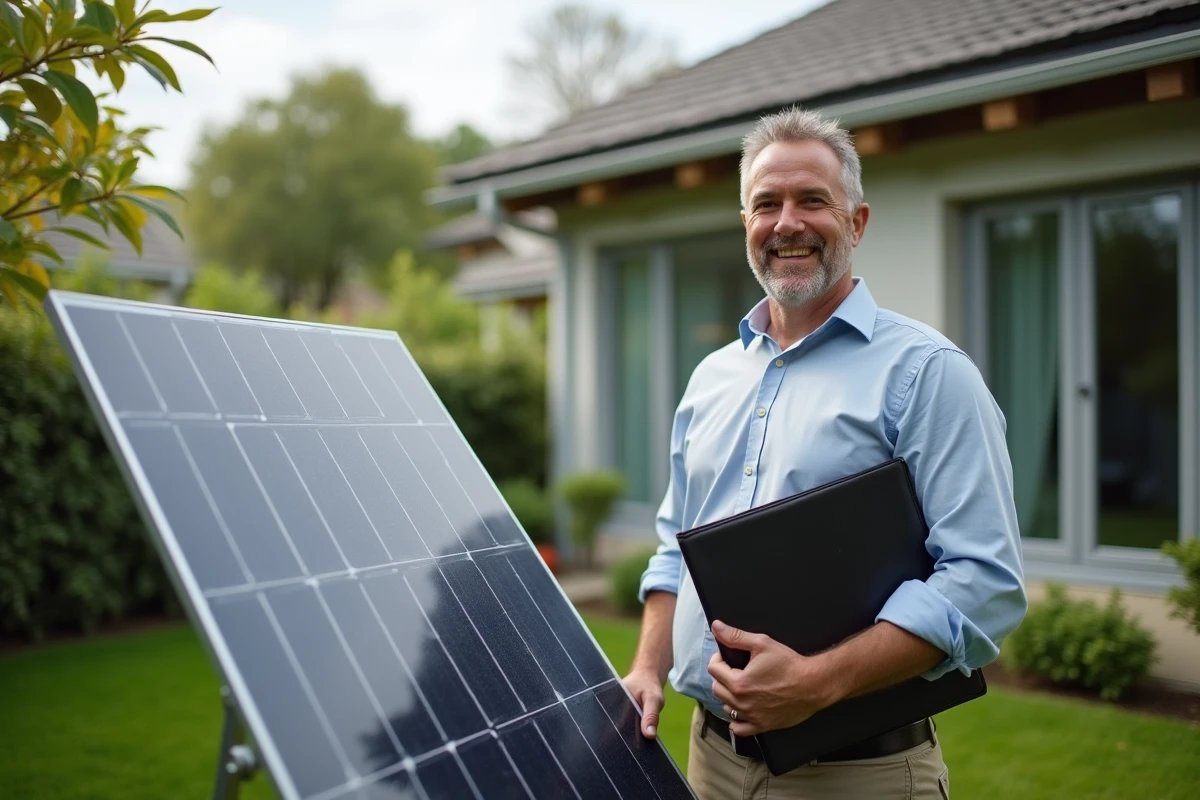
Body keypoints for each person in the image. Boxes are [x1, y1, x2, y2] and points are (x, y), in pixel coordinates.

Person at [622, 107, 1027, 799]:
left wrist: (817, 682)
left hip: (856, 773)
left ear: (858, 223)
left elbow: (985, 582)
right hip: (708, 761)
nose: (787, 224)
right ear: (746, 224)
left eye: (813, 200)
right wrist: (647, 668)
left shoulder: (927, 373)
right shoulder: (712, 378)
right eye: (766, 204)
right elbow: (673, 548)